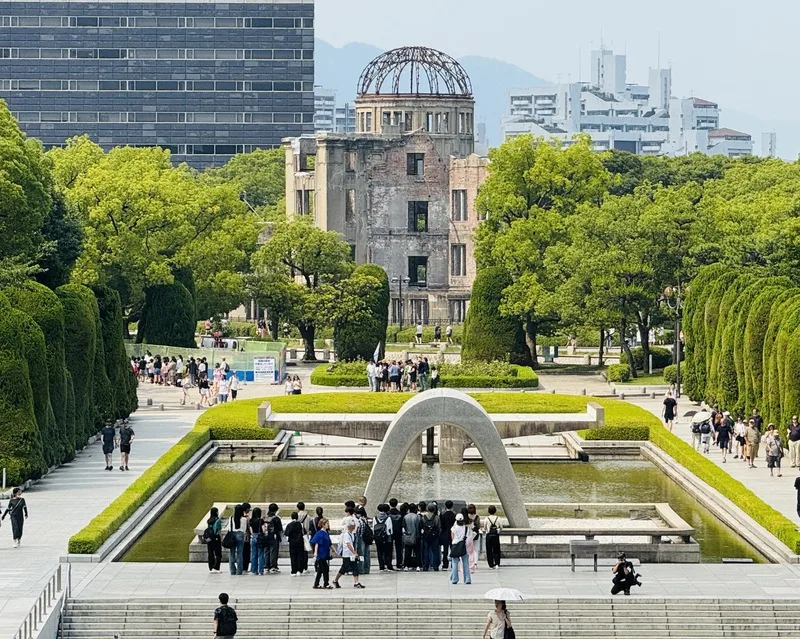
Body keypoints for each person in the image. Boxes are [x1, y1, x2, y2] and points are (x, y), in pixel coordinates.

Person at [333, 518, 364, 589]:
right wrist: (355, 552)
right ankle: (335, 580)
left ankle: (356, 582)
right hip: (347, 554)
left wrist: (354, 553)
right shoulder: (346, 534)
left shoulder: (352, 534)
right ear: (349, 526)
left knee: (355, 567)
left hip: (352, 555)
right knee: (344, 568)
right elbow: (348, 544)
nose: (354, 527)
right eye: (353, 526)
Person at [310, 517, 334, 589]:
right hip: (321, 554)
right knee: (325, 569)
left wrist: (335, 550)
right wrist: (315, 553)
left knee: (320, 570)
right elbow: (316, 544)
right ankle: (326, 583)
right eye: (327, 524)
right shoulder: (320, 533)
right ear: (323, 525)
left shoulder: (325, 533)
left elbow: (329, 543)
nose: (328, 525)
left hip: (324, 553)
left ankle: (316, 584)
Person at [449, 512, 471, 585]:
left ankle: (455, 579)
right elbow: (468, 537)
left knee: (455, 563)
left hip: (455, 546)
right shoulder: (466, 528)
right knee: (465, 564)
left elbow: (452, 537)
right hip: (463, 546)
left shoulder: (453, 528)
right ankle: (467, 579)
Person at [228, 503, 248, 575]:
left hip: (232, 535)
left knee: (231, 553)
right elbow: (244, 529)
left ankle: (232, 570)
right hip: (240, 535)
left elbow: (229, 528)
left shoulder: (231, 518)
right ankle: (239, 571)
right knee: (239, 553)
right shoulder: (244, 519)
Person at [373, 503, 394, 571]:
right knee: (388, 552)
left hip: (378, 538)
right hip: (386, 538)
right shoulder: (388, 518)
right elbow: (389, 529)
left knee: (379, 552)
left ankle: (381, 566)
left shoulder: (375, 518)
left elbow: (373, 528)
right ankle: (388, 565)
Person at [420, 502, 441, 571]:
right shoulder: (437, 517)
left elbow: (421, 527)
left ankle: (425, 566)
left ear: (427, 509)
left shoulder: (423, 517)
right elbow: (439, 527)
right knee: (435, 551)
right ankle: (435, 566)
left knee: (426, 551)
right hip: (434, 537)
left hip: (426, 536)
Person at [263, 503, 283, 573]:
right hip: (274, 537)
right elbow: (280, 529)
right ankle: (273, 566)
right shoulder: (276, 519)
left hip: (265, 536)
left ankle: (266, 566)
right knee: (273, 551)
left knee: (266, 551)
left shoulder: (265, 518)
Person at [285, 512, 306, 576]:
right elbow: (304, 533)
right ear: (297, 517)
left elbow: (286, 534)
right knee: (300, 556)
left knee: (293, 556)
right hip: (300, 542)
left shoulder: (289, 525)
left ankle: (294, 571)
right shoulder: (301, 524)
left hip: (292, 543)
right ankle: (299, 570)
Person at [402, 502, 421, 571]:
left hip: (408, 536)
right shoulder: (417, 517)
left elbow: (403, 527)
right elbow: (419, 527)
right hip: (416, 536)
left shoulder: (405, 517)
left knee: (407, 552)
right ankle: (418, 565)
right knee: (417, 552)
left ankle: (406, 565)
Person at [484, 505, 502, 569]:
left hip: (489, 535)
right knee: (496, 550)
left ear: (488, 511)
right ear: (495, 511)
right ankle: (497, 563)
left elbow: (485, 528)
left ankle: (491, 564)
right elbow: (501, 527)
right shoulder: (498, 518)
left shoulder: (486, 519)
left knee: (489, 550)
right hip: (496, 535)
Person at [205, 507, 222, 573]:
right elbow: (219, 530)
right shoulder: (218, 520)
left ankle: (211, 567)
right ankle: (216, 568)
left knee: (210, 553)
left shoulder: (209, 520)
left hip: (209, 538)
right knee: (218, 553)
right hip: (216, 538)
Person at [439, 500, 456, 569]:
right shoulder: (454, 515)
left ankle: (445, 564)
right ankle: (453, 564)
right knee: (453, 549)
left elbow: (441, 526)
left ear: (445, 506)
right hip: (452, 534)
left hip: (445, 533)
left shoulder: (443, 515)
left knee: (445, 550)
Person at [248, 507, 265, 575]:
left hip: (253, 537)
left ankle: (254, 570)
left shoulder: (251, 520)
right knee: (261, 554)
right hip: (259, 537)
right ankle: (261, 570)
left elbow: (251, 531)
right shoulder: (261, 520)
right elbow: (263, 530)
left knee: (254, 555)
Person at [389, 498, 404, 570]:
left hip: (390, 533)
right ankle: (399, 564)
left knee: (389, 549)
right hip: (398, 533)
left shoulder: (388, 514)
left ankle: (389, 564)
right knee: (399, 549)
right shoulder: (400, 514)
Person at [296, 501, 311, 574]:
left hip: (298, 535)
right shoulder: (308, 516)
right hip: (306, 535)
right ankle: (305, 567)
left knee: (299, 552)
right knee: (305, 552)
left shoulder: (297, 515)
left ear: (297, 508)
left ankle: (299, 567)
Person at [467, 503, 481, 573]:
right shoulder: (477, 517)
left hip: (469, 535)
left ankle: (470, 562)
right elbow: (478, 526)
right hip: (476, 535)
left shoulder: (466, 517)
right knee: (476, 549)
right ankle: (475, 563)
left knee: (469, 550)